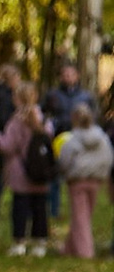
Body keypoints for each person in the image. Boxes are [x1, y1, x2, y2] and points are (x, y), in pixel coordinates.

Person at [1, 78, 55, 256]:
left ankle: (19, 242)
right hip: (41, 171)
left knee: (20, 208)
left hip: (20, 171)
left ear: (16, 98)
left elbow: (8, 146)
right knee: (40, 209)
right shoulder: (44, 119)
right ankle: (40, 242)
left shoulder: (16, 121)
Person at [57, 99, 111, 259]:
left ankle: (85, 251)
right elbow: (108, 158)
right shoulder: (102, 138)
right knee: (83, 216)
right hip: (95, 181)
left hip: (78, 181)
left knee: (80, 217)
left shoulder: (73, 139)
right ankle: (69, 248)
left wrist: (67, 172)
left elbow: (64, 161)